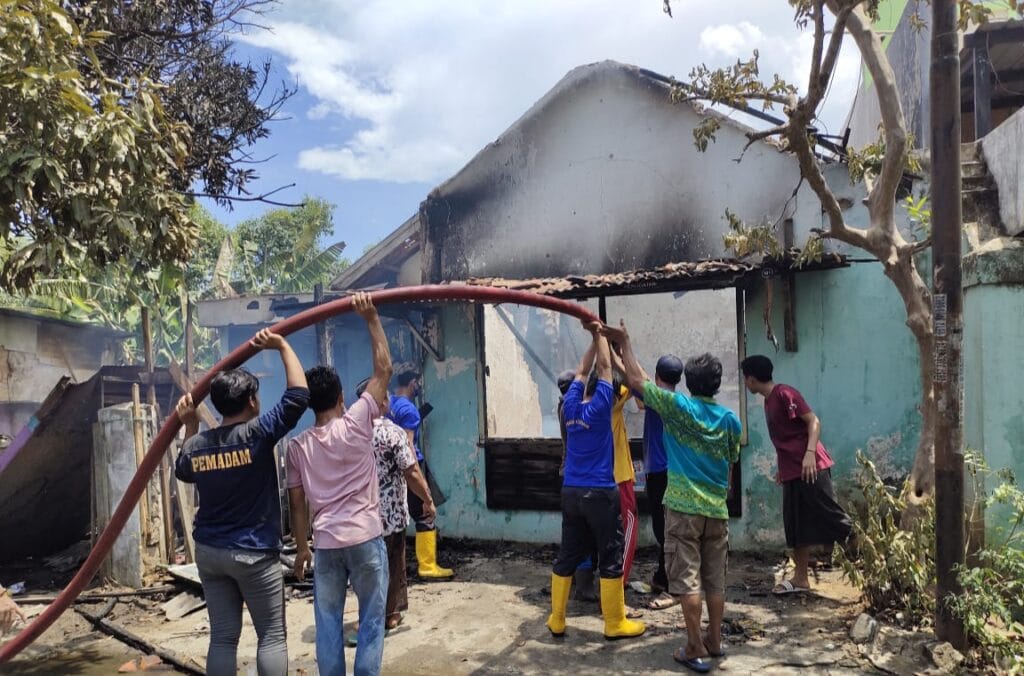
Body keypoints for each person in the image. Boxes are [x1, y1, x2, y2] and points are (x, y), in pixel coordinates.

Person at [603, 321, 740, 673]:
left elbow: (637, 383)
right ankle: (714, 641)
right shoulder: (729, 420)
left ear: (689, 383)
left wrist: (626, 343)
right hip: (716, 509)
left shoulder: (679, 409)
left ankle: (694, 647)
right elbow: (730, 464)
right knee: (715, 580)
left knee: (687, 580)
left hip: (682, 508)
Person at [174, 330, 309, 676]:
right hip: (252, 553)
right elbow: (298, 397)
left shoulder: (198, 444)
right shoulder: (257, 434)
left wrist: (189, 426)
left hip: (210, 553)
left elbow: (184, 471)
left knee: (222, 638)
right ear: (251, 401)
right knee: (272, 637)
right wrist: (282, 344)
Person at [286, 292, 392, 676]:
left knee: (328, 623)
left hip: (327, 542)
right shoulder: (358, 420)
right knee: (371, 621)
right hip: (365, 537)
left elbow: (297, 506)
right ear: (342, 396)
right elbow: (383, 371)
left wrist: (301, 549)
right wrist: (371, 318)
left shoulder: (296, 447)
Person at [545, 323, 645, 641]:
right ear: (601, 387)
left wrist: (592, 339)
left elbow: (582, 368)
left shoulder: (570, 406)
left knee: (568, 553)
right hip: (600, 492)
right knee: (611, 554)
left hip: (571, 492)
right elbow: (602, 367)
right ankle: (614, 622)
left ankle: (557, 618)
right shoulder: (603, 407)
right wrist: (601, 335)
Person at [740, 355, 852, 595]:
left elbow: (813, 421)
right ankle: (801, 579)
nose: (745, 384)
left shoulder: (784, 393)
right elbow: (785, 439)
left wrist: (810, 453)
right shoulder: (768, 401)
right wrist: (783, 469)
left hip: (812, 467)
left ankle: (878, 562)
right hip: (792, 471)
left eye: (745, 379)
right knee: (796, 526)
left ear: (751, 379)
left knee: (834, 519)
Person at [355, 378, 437, 631]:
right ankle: (389, 614)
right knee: (392, 563)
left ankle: (368, 614)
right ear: (381, 402)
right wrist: (427, 499)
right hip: (389, 514)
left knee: (366, 568)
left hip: (358, 515)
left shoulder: (350, 432)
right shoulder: (391, 431)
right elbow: (410, 470)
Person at [387, 369, 454, 580]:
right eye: (418, 383)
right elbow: (407, 447)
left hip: (389, 470)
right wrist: (419, 478)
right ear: (412, 383)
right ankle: (427, 566)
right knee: (425, 512)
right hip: (409, 466)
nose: (419, 387)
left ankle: (393, 567)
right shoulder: (410, 410)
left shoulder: (388, 405)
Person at [643, 355, 684, 611]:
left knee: (665, 529)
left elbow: (635, 378)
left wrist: (620, 350)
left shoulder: (657, 399)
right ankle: (661, 576)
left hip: (661, 471)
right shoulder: (675, 400)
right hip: (666, 470)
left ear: (658, 376)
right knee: (665, 526)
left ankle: (673, 585)